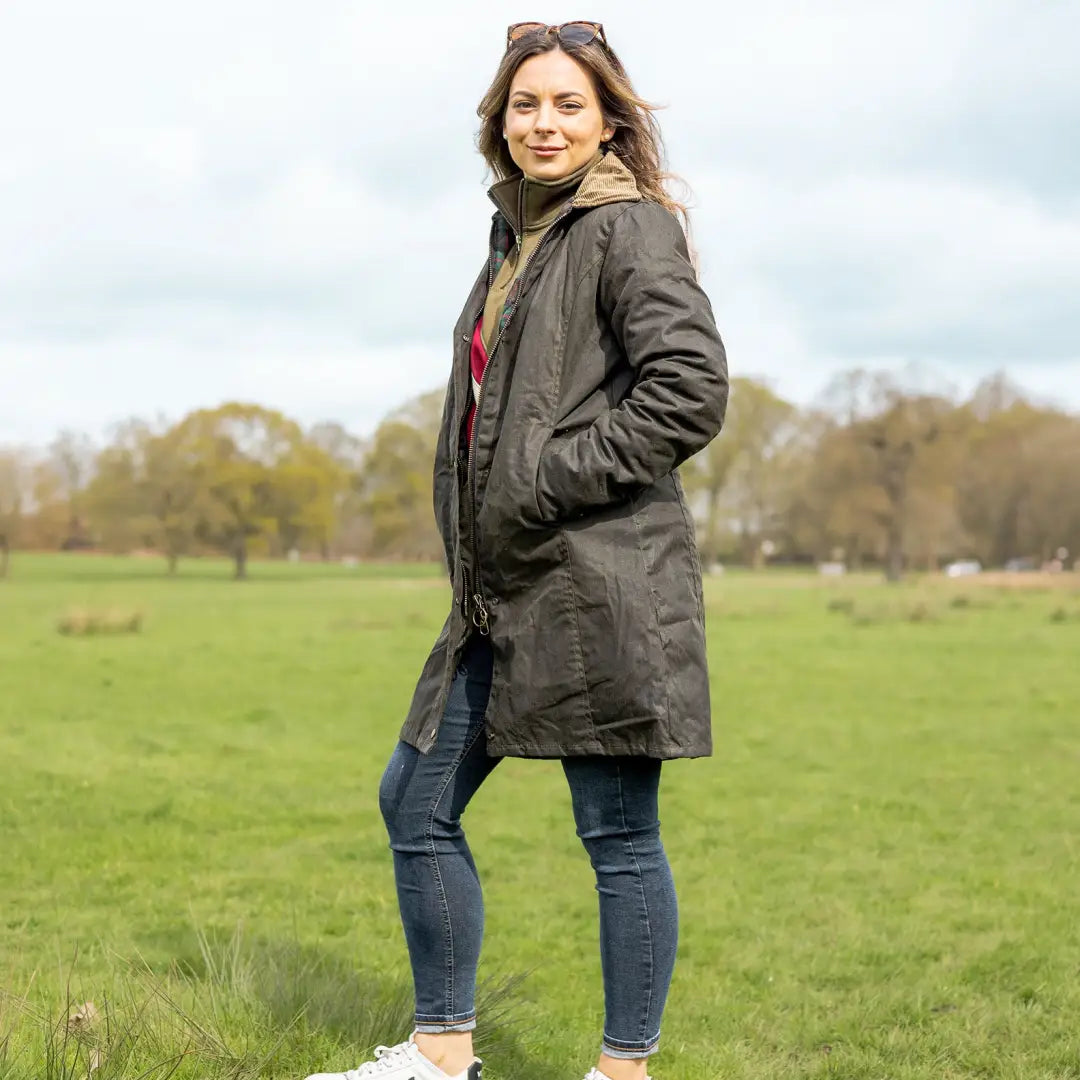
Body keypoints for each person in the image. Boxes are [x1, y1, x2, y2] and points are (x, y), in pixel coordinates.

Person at [306, 20, 727, 1080]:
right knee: (417, 802)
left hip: (601, 587)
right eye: (526, 104)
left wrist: (545, 478)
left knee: (618, 836)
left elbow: (689, 391)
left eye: (568, 104)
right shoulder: (520, 236)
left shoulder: (627, 227)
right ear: (500, 120)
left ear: (608, 120)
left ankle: (623, 1070)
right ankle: (444, 1055)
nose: (544, 122)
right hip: (503, 591)